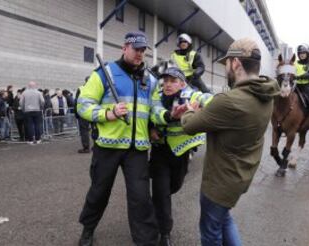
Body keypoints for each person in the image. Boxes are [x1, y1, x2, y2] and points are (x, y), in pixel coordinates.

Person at [77, 31, 179, 246]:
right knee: (99, 192)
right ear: (125, 48)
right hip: (108, 147)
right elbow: (83, 105)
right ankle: (88, 229)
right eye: (136, 49)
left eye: (143, 50)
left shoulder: (150, 80)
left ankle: (146, 242)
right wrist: (108, 114)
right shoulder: (105, 73)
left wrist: (168, 116)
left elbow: (155, 109)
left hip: (138, 149)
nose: (140, 54)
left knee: (140, 198)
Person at [181, 38, 280, 245]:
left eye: (226, 63)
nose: (226, 68)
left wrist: (190, 109)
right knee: (223, 219)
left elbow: (189, 126)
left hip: (219, 183)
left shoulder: (229, 101)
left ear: (235, 63)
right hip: (240, 177)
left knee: (211, 232)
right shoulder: (267, 94)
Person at [149, 67, 212, 246]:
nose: (168, 84)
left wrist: (218, 102)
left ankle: (158, 204)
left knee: (174, 186)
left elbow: (205, 98)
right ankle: (164, 233)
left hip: (181, 153)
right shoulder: (157, 96)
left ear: (182, 83)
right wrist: (170, 115)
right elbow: (154, 112)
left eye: (173, 81)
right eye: (166, 81)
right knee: (161, 192)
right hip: (160, 152)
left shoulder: (190, 95)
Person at [74, 77, 91, 153]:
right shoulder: (96, 88)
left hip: (83, 112)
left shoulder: (81, 89)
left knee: (84, 131)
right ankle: (97, 146)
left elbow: (76, 102)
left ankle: (86, 147)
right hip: (94, 111)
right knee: (96, 129)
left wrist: (76, 113)